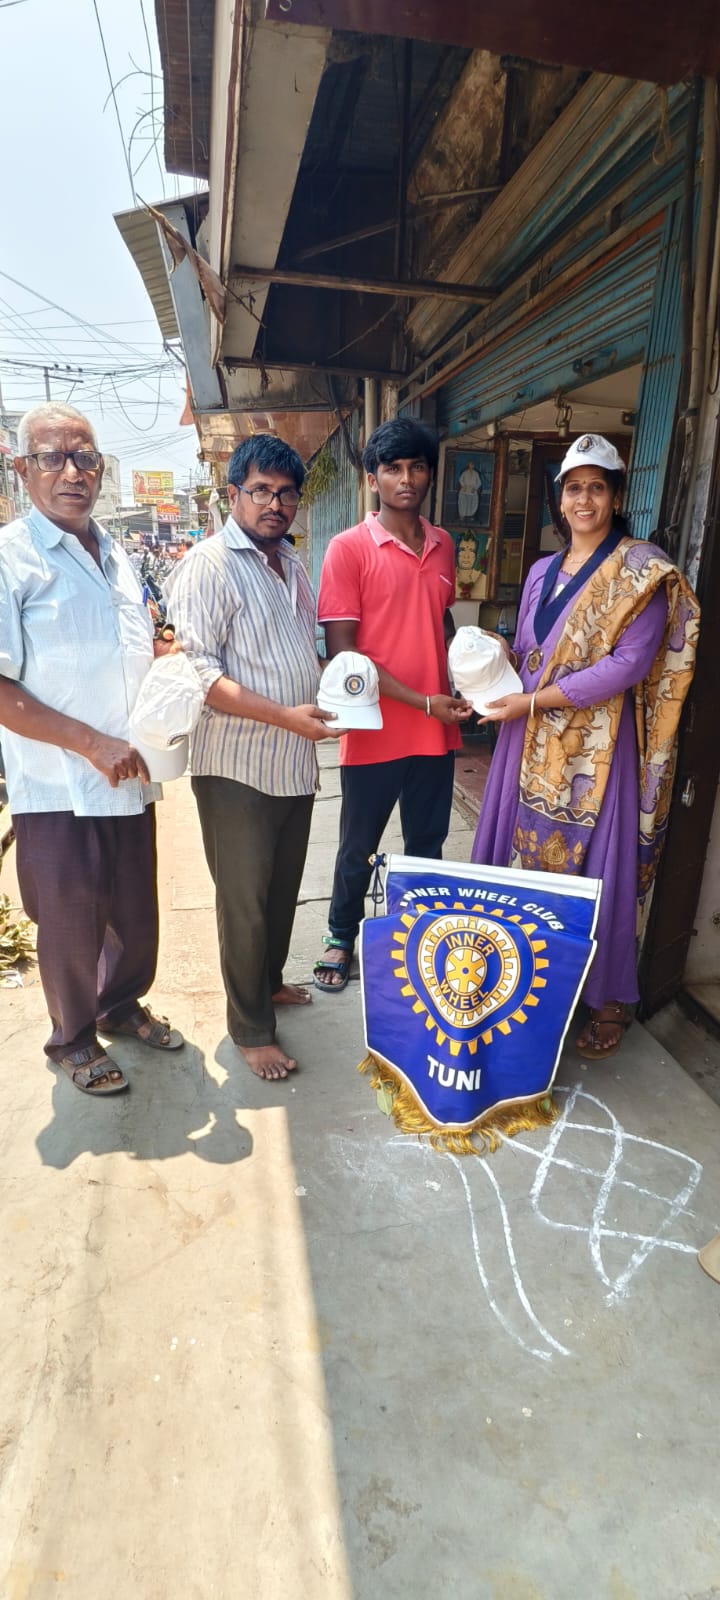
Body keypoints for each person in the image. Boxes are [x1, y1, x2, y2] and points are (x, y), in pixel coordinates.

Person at [470, 433, 699, 1059]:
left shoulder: (641, 571)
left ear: (616, 496)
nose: (584, 499)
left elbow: (629, 665)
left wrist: (533, 701)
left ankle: (606, 998)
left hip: (597, 746)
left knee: (601, 868)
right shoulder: (541, 571)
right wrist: (491, 667)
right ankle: (517, 979)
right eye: (573, 488)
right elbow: (529, 650)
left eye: (597, 487)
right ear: (560, 498)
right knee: (511, 853)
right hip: (525, 736)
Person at [0, 403, 183, 1097]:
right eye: (53, 457)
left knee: (134, 915)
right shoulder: (11, 558)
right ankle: (72, 1039)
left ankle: (120, 1005)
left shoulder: (116, 553)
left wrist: (166, 669)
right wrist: (88, 743)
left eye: (85, 458)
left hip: (131, 773)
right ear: (23, 470)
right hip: (58, 783)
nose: (72, 472)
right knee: (70, 923)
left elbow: (126, 648)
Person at [166, 433, 339, 1082]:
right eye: (261, 490)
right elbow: (199, 675)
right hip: (236, 766)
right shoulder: (209, 565)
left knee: (281, 890)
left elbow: (302, 649)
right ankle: (250, 1029)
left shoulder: (291, 563)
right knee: (244, 901)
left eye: (286, 493)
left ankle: (267, 984)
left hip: (292, 762)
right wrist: (287, 715)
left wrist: (332, 694)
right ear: (233, 493)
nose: (275, 504)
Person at [314, 417, 473, 991]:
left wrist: (464, 672)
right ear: (373, 478)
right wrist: (423, 701)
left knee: (426, 845)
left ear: (430, 473)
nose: (406, 479)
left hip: (435, 730)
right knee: (358, 846)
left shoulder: (444, 545)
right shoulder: (348, 549)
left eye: (417, 467)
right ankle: (340, 937)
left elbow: (439, 620)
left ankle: (419, 937)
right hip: (374, 728)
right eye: (393, 468)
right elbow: (344, 653)